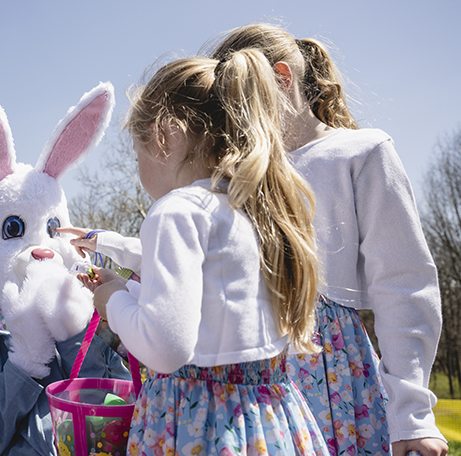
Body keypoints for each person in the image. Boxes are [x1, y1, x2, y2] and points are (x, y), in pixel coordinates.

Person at [208, 23, 448, 456]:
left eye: (238, 102)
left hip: (334, 386)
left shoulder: (362, 152)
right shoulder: (233, 177)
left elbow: (404, 284)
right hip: (248, 386)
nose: (231, 123)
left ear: (282, 80)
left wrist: (411, 414)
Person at [79, 51, 330, 455]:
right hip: (270, 423)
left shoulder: (176, 212)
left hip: (200, 424)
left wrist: (113, 302)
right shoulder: (256, 209)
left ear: (165, 135)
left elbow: (167, 348)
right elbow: (209, 321)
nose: (137, 165)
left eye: (136, 151)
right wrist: (130, 292)